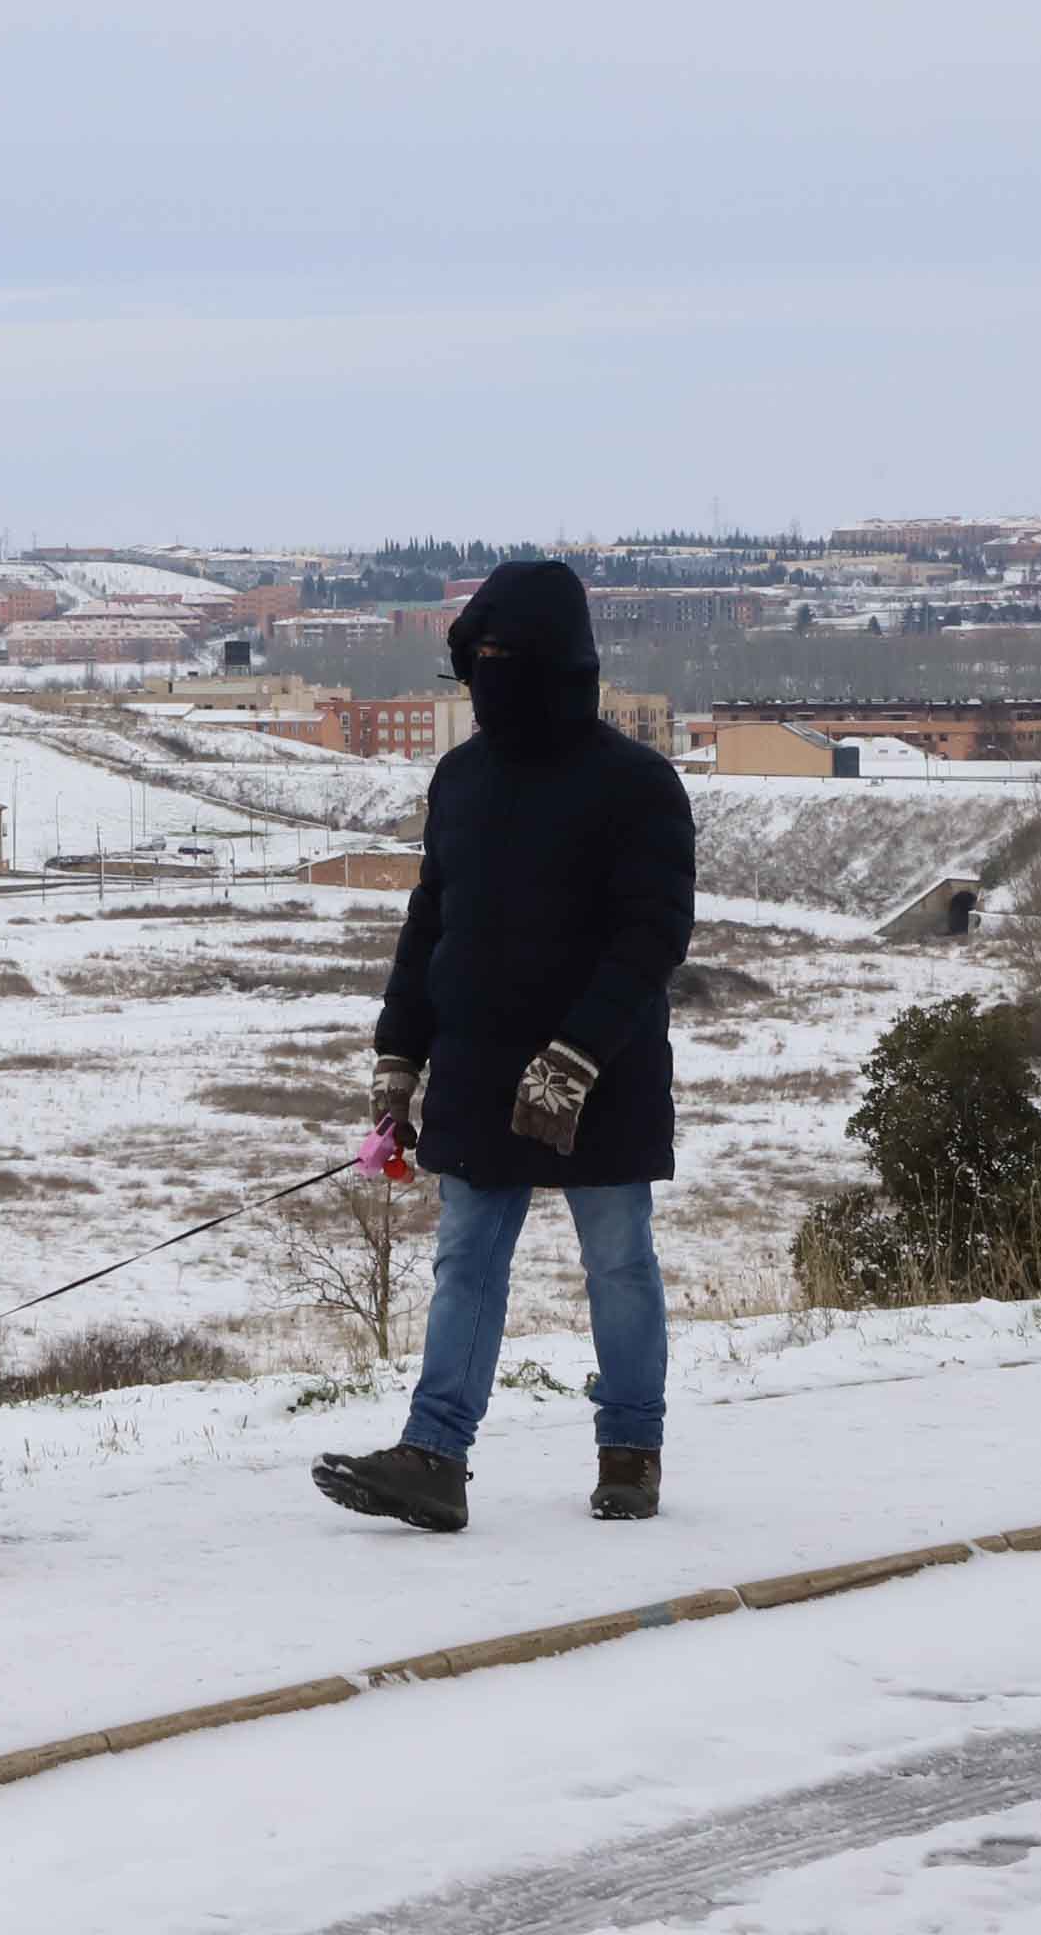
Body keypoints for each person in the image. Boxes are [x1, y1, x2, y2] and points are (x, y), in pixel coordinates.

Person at [314, 558, 694, 1531]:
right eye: (471, 657)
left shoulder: (634, 783)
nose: (484, 674)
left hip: (596, 1070)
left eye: (499, 656)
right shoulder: (462, 778)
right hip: (481, 1065)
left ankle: (629, 1449)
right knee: (466, 1261)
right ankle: (433, 1454)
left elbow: (649, 935)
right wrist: (397, 1052)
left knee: (617, 1260)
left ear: (553, 663)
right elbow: (429, 921)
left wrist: (573, 1059)